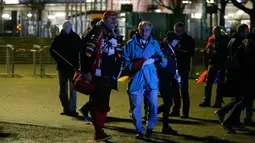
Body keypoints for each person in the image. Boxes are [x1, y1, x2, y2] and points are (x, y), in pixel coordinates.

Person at [79, 10, 122, 141]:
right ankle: (98, 131)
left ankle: (100, 130)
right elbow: (87, 52)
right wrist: (86, 71)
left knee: (104, 103)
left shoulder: (112, 32)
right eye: (111, 20)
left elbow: (117, 51)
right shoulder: (98, 31)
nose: (114, 22)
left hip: (108, 73)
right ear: (105, 19)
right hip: (97, 73)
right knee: (98, 103)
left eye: (115, 19)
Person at [122, 21, 167, 139]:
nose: (144, 32)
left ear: (150, 31)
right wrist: (136, 64)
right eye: (142, 30)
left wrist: (162, 60)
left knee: (153, 106)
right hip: (136, 80)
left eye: (147, 30)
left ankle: (150, 127)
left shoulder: (154, 44)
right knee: (136, 108)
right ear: (138, 30)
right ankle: (139, 130)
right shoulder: (130, 44)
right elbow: (125, 62)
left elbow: (162, 59)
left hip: (151, 80)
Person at [50, 20, 81, 117]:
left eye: (68, 26)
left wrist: (78, 63)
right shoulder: (58, 38)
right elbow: (52, 50)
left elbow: (81, 50)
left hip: (73, 67)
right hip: (62, 67)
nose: (67, 27)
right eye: (65, 26)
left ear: (71, 27)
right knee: (63, 89)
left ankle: (72, 108)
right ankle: (65, 107)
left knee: (73, 89)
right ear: (63, 27)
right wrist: (58, 60)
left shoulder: (75, 37)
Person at [199, 26, 230, 108]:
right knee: (208, 83)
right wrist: (208, 52)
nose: (215, 34)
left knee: (220, 84)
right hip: (212, 63)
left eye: (216, 32)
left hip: (221, 64)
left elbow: (227, 51)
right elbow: (207, 50)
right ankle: (207, 100)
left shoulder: (225, 39)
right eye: (214, 32)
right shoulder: (212, 39)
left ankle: (218, 101)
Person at [170, 22, 195, 118]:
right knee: (174, 91)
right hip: (173, 68)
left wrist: (178, 51)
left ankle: (185, 112)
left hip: (183, 68)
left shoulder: (189, 40)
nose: (178, 32)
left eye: (180, 31)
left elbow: (190, 53)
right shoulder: (172, 39)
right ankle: (176, 110)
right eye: (176, 30)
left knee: (184, 91)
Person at [157, 31, 180, 134]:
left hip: (167, 79)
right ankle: (163, 125)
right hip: (164, 80)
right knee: (168, 103)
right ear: (173, 40)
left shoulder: (169, 49)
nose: (177, 42)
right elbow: (161, 66)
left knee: (168, 103)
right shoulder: (165, 50)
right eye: (176, 40)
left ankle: (163, 124)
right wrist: (172, 74)